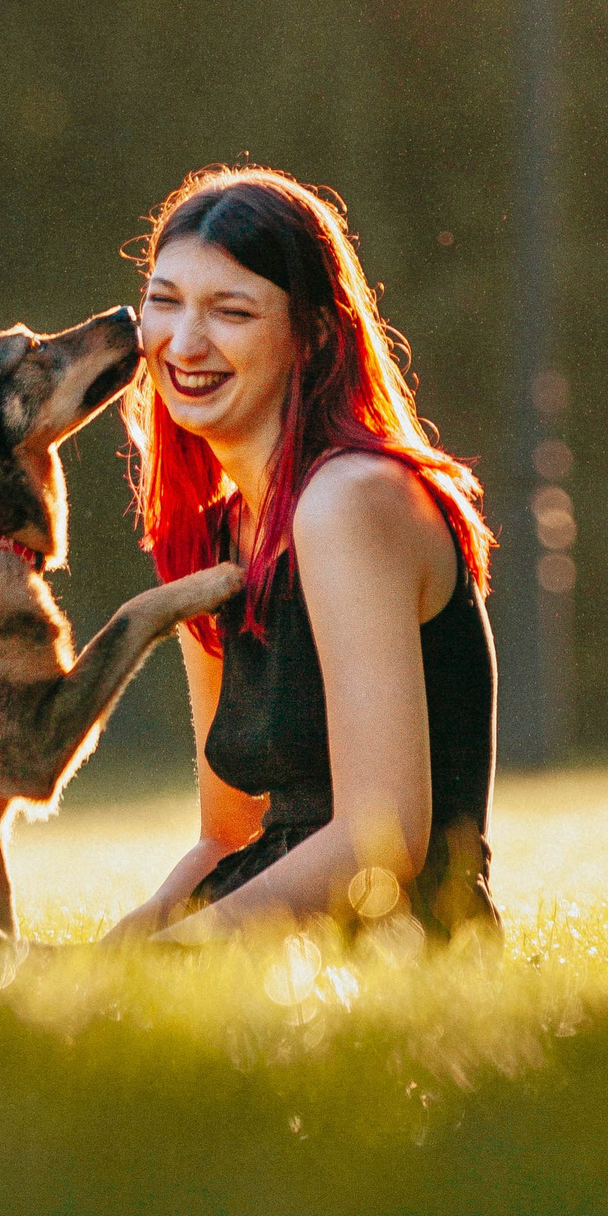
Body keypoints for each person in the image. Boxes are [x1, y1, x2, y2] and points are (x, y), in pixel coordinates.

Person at [108, 166, 499, 943]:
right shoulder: (215, 535)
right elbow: (227, 836)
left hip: (383, 951)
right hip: (267, 943)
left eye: (232, 311)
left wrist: (172, 958)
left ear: (314, 333)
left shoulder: (349, 499)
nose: (185, 342)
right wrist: (116, 952)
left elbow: (383, 844)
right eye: (165, 301)